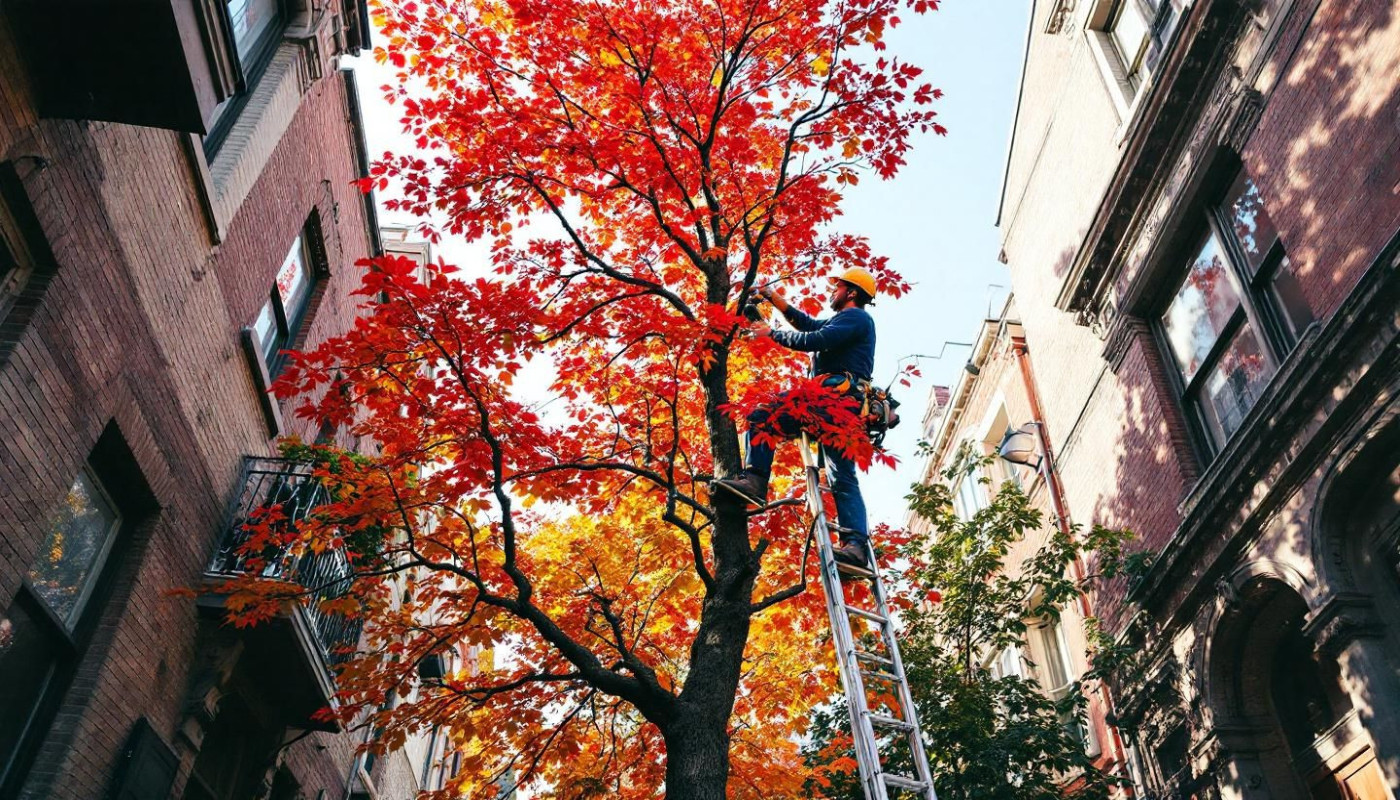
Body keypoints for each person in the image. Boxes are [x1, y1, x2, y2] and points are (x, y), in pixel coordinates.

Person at [715, 267, 878, 571]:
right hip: (843, 410)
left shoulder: (857, 317)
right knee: (842, 477)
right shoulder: (849, 320)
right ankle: (856, 548)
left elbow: (815, 338)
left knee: (762, 413)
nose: (833, 292)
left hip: (830, 401)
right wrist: (773, 297)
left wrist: (771, 333)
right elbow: (808, 324)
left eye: (838, 287)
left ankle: (755, 480)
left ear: (852, 292)